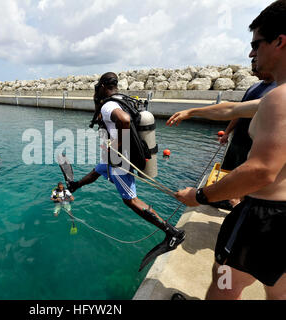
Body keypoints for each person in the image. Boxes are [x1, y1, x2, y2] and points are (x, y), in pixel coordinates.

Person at [175, 0, 286, 300]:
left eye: (256, 44)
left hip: (266, 219)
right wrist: (193, 111)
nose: (251, 52)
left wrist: (199, 196)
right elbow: (232, 109)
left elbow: (262, 170)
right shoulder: (271, 98)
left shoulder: (278, 98)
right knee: (278, 290)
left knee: (225, 281)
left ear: (279, 41)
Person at [69, 72, 185, 266]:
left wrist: (116, 146)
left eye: (98, 87)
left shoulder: (108, 105)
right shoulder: (122, 99)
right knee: (96, 171)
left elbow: (123, 120)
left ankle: (172, 233)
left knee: (131, 201)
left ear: (104, 86)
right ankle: (75, 185)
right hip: (113, 160)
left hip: (120, 162)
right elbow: (124, 121)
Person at [219, 59, 276, 171]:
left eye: (256, 68)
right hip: (236, 142)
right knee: (227, 172)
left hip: (253, 147)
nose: (253, 72)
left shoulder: (278, 89)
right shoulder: (253, 87)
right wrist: (227, 133)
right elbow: (238, 111)